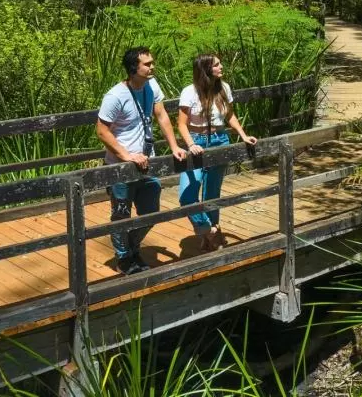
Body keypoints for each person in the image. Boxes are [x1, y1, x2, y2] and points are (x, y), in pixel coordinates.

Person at [96, 46, 187, 275]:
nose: (152, 67)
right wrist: (127, 156)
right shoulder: (115, 96)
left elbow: (162, 115)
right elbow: (101, 131)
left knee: (151, 212)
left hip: (147, 162)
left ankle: (133, 247)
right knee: (121, 214)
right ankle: (124, 257)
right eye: (147, 64)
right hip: (120, 167)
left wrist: (174, 146)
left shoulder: (151, 86)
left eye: (152, 62)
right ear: (133, 68)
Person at [177, 54, 258, 251]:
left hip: (220, 140)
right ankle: (210, 229)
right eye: (217, 64)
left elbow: (229, 115)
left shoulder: (224, 88)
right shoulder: (190, 92)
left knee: (212, 192)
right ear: (206, 69)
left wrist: (243, 135)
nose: (221, 66)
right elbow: (181, 124)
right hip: (197, 141)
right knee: (187, 195)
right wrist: (190, 144)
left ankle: (208, 240)